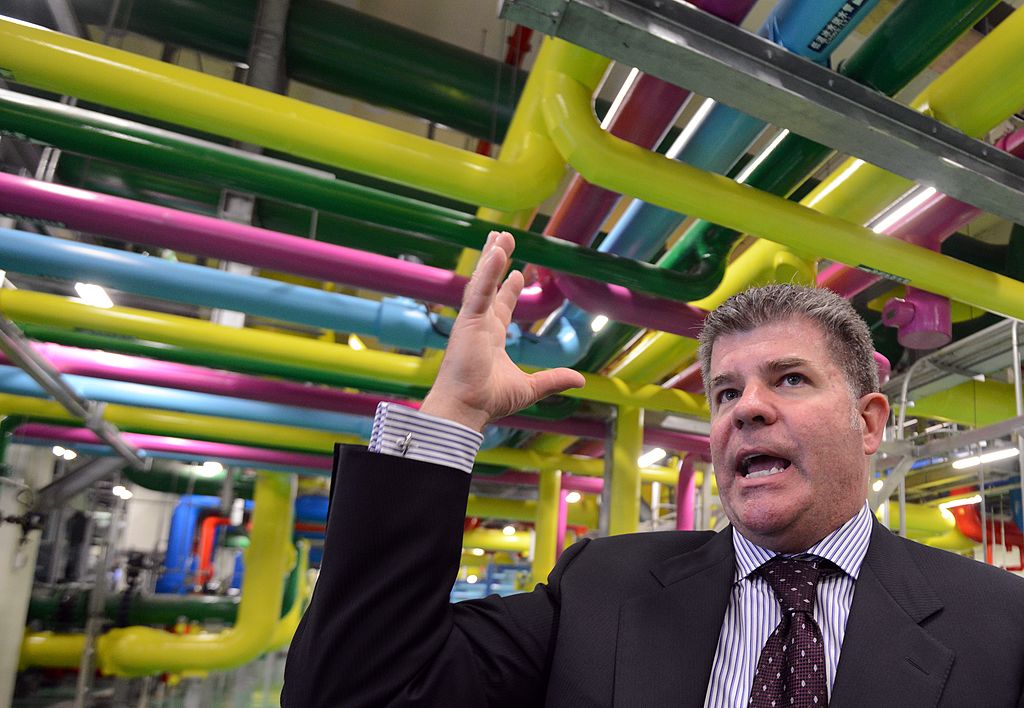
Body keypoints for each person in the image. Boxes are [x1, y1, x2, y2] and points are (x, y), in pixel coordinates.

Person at [282, 231, 1024, 707]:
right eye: (726, 392)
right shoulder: (600, 589)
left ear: (868, 422)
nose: (746, 409)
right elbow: (352, 691)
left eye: (789, 380)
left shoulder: (1002, 623)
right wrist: (453, 412)